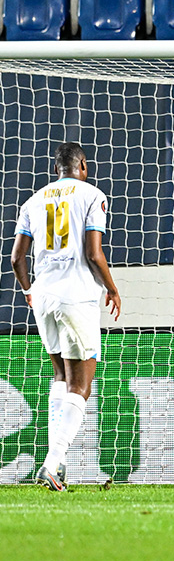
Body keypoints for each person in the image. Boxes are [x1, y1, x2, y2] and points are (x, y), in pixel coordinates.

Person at [11, 142, 121, 491]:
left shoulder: (33, 200)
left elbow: (16, 258)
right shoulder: (92, 195)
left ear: (57, 169)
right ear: (83, 166)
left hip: (43, 295)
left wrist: (29, 291)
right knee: (81, 384)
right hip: (76, 295)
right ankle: (53, 461)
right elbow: (93, 252)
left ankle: (56, 465)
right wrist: (112, 288)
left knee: (60, 376)